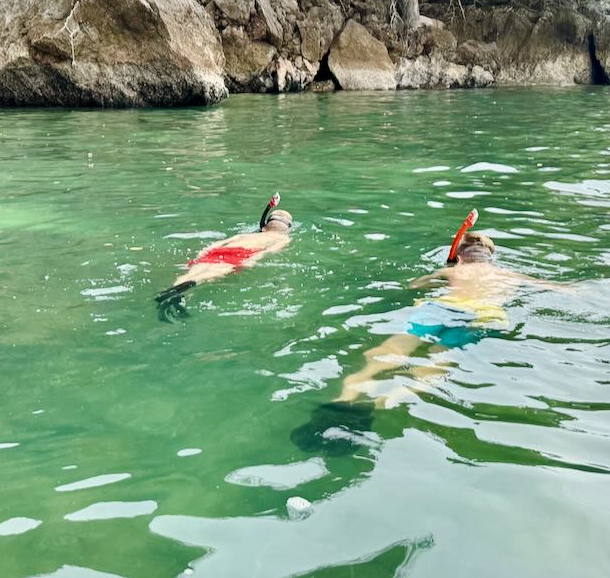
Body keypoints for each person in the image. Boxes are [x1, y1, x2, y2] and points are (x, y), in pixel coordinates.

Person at [293, 210, 563, 452]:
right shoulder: (508, 275)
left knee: (389, 352)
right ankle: (384, 402)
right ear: (490, 256)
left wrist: (443, 271)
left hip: (441, 307)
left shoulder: (453, 272)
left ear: (459, 255)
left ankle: (345, 398)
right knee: (437, 361)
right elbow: (552, 287)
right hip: (480, 316)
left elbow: (414, 285)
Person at [155, 193, 293, 321]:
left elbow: (220, 243)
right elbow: (267, 251)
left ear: (266, 224)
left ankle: (172, 290)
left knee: (194, 272)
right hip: (241, 254)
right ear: (287, 228)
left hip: (221, 250)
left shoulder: (249, 234)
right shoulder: (282, 239)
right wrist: (250, 261)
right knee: (210, 274)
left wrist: (204, 251)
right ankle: (176, 296)